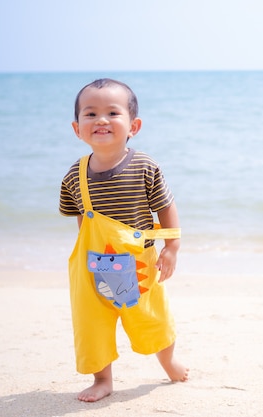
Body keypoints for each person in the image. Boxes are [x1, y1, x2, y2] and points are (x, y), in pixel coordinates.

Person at [59, 78, 188, 402]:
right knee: (92, 325)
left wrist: (171, 247)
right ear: (77, 128)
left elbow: (165, 207)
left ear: (134, 125)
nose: (101, 120)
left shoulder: (145, 166)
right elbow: (82, 219)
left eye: (112, 113)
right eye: (90, 114)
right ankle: (102, 379)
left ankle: (169, 361)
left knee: (151, 317)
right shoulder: (75, 174)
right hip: (92, 266)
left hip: (138, 263)